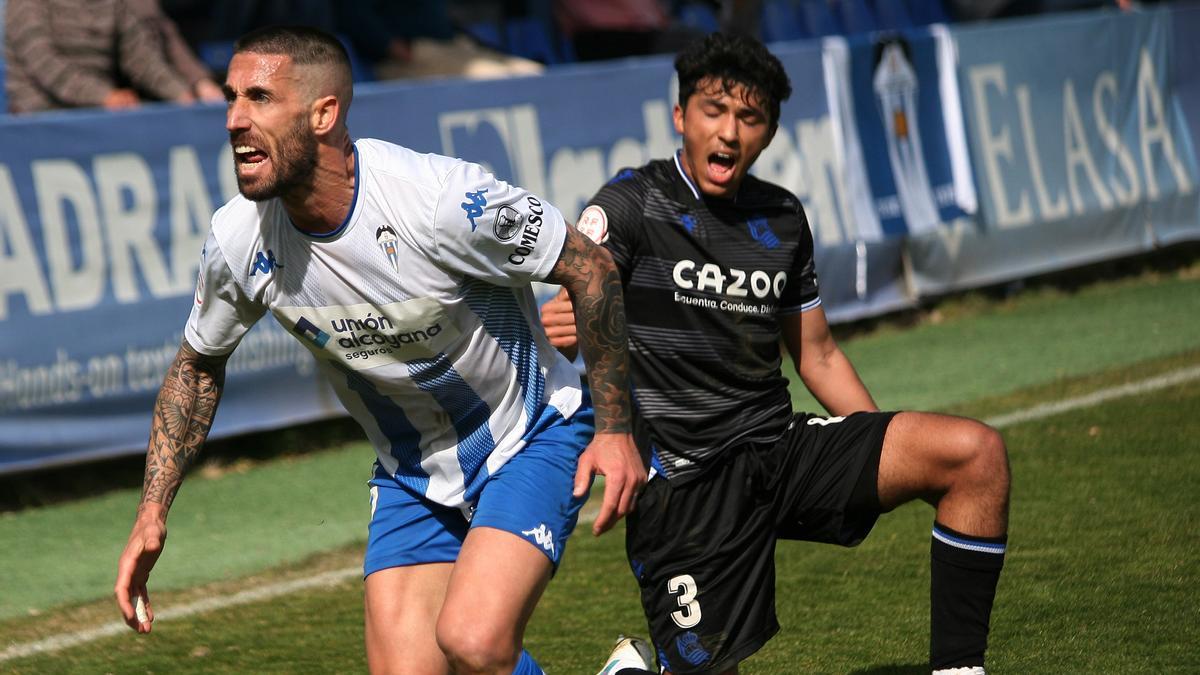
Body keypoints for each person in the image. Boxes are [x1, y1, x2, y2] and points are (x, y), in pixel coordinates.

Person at [113, 25, 645, 675]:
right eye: (230, 98)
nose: (234, 120)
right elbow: (196, 368)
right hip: (411, 473)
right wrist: (151, 512)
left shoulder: (440, 201)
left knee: (473, 641)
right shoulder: (238, 241)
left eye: (258, 97)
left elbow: (588, 265)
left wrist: (615, 429)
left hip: (530, 430)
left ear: (324, 113)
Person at [540, 32, 1010, 675]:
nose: (729, 133)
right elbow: (580, 293)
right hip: (684, 486)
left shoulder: (783, 217)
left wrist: (873, 443)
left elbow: (816, 355)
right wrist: (575, 318)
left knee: (974, 456)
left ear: (768, 132)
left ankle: (960, 670)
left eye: (749, 117)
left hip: (778, 450)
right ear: (680, 117)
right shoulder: (630, 203)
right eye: (713, 111)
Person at [4, 0, 203, 113]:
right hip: (41, 117)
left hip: (99, 115)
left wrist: (181, 94)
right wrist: (103, 96)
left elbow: (141, 58)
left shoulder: (114, 4)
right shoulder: (25, 3)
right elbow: (45, 64)